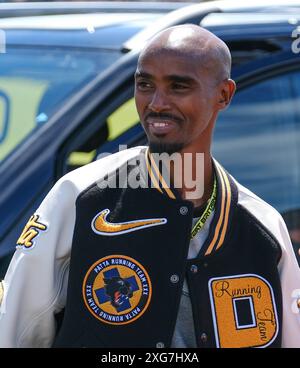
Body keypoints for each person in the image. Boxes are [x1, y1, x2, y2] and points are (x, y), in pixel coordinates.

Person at [0, 24, 299, 348]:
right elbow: (15, 333)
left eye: (178, 86)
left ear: (224, 95)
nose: (157, 102)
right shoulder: (80, 198)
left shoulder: (264, 229)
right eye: (145, 84)